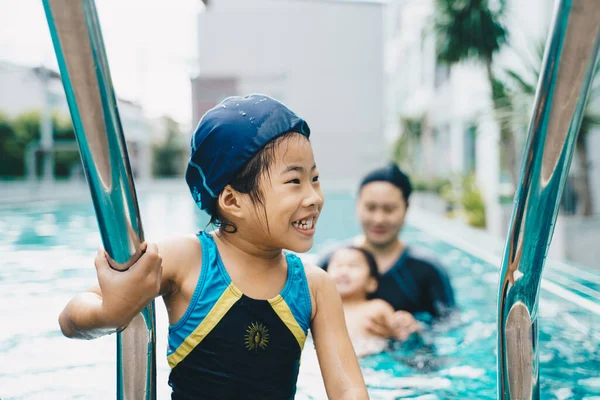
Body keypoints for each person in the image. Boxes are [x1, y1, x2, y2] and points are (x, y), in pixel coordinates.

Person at [58, 94, 369, 399]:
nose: (314, 197)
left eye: (315, 178)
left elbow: (347, 390)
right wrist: (110, 312)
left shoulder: (315, 286)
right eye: (294, 182)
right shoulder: (189, 260)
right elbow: (70, 318)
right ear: (233, 200)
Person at [317, 163, 455, 331]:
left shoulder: (427, 269)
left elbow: (450, 325)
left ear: (406, 208)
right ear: (357, 206)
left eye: (389, 209)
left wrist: (418, 329)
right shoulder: (330, 262)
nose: (379, 219)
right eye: (370, 208)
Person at [324, 246, 421, 357]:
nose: (343, 271)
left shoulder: (376, 308)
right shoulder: (318, 310)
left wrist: (406, 328)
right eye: (338, 266)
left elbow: (400, 335)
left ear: (371, 283)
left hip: (369, 364)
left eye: (353, 266)